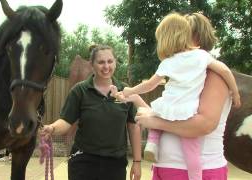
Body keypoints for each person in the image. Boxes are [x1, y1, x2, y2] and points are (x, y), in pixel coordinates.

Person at [112, 12, 240, 180]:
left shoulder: (212, 73)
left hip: (195, 171)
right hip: (165, 169)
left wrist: (155, 122)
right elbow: (169, 113)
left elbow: (204, 125)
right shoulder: (178, 68)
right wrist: (134, 98)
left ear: (193, 35)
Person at [41, 45, 142, 180]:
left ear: (115, 62)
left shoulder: (125, 92)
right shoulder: (80, 91)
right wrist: (52, 128)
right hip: (83, 163)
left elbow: (133, 127)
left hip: (115, 164)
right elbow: (66, 121)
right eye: (101, 62)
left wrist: (137, 162)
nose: (106, 66)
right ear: (92, 64)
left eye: (110, 61)